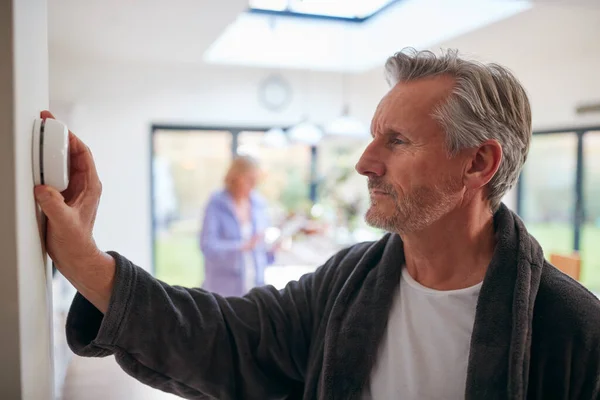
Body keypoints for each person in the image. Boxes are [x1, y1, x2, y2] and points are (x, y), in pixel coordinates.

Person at [35, 48, 600, 400]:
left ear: (478, 163)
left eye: (396, 140)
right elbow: (232, 338)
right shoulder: (348, 281)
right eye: (375, 136)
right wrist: (85, 261)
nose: (364, 162)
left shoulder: (574, 328)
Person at [199, 155, 274, 296]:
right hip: (223, 290)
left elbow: (262, 252)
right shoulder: (216, 204)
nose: (253, 185)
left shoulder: (259, 204)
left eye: (255, 181)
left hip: (254, 287)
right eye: (249, 180)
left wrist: (272, 249)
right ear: (235, 177)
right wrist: (242, 246)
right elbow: (208, 246)